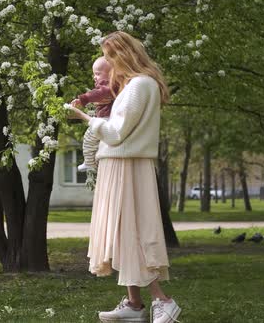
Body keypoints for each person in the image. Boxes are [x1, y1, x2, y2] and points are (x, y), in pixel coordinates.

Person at [67, 31, 182, 323]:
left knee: (132, 230)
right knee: (121, 232)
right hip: (118, 164)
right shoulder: (133, 85)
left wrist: (84, 118)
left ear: (122, 56)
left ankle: (162, 301)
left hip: (127, 164)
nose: (106, 63)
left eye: (108, 56)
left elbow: (117, 133)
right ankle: (134, 304)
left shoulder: (140, 85)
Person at [70, 56, 118, 172]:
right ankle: (92, 162)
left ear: (111, 74)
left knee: (89, 139)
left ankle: (89, 163)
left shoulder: (108, 86)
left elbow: (98, 93)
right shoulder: (115, 87)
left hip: (106, 119)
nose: (94, 77)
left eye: (97, 74)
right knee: (95, 141)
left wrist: (83, 99)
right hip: (107, 119)